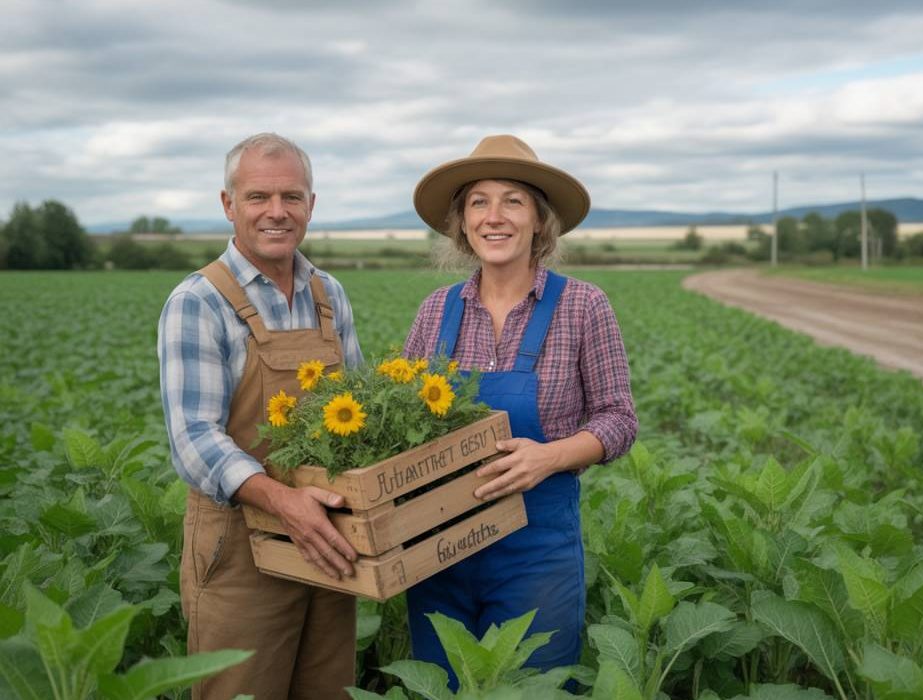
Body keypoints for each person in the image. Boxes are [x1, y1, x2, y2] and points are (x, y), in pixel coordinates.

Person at [402, 134, 638, 685]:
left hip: (536, 557)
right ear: (462, 223)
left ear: (539, 220)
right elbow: (403, 423)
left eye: (513, 200)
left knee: (532, 689)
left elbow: (618, 419)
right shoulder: (436, 310)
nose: (494, 216)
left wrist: (549, 457)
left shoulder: (583, 305)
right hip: (441, 548)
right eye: (478, 202)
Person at [158, 133, 363, 699]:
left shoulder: (329, 295)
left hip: (327, 538)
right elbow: (194, 438)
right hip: (239, 550)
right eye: (258, 197)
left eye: (292, 197)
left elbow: (359, 412)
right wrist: (284, 503)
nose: (277, 212)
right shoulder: (199, 300)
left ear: (312, 205)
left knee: (328, 688)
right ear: (229, 204)